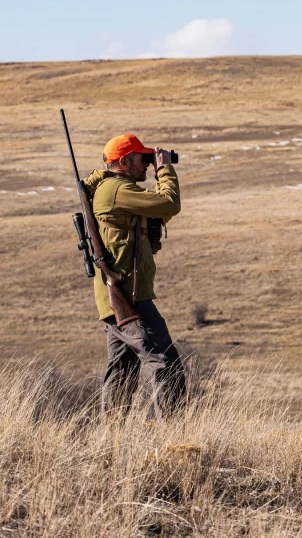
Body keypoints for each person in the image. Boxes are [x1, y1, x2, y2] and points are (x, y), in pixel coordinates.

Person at [82, 133, 186, 420]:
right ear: (124, 162)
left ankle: (112, 442)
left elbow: (157, 212)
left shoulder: (119, 189)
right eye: (143, 159)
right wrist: (164, 169)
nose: (147, 163)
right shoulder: (116, 189)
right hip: (129, 297)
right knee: (167, 364)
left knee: (122, 371)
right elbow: (169, 203)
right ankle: (168, 436)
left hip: (120, 296)